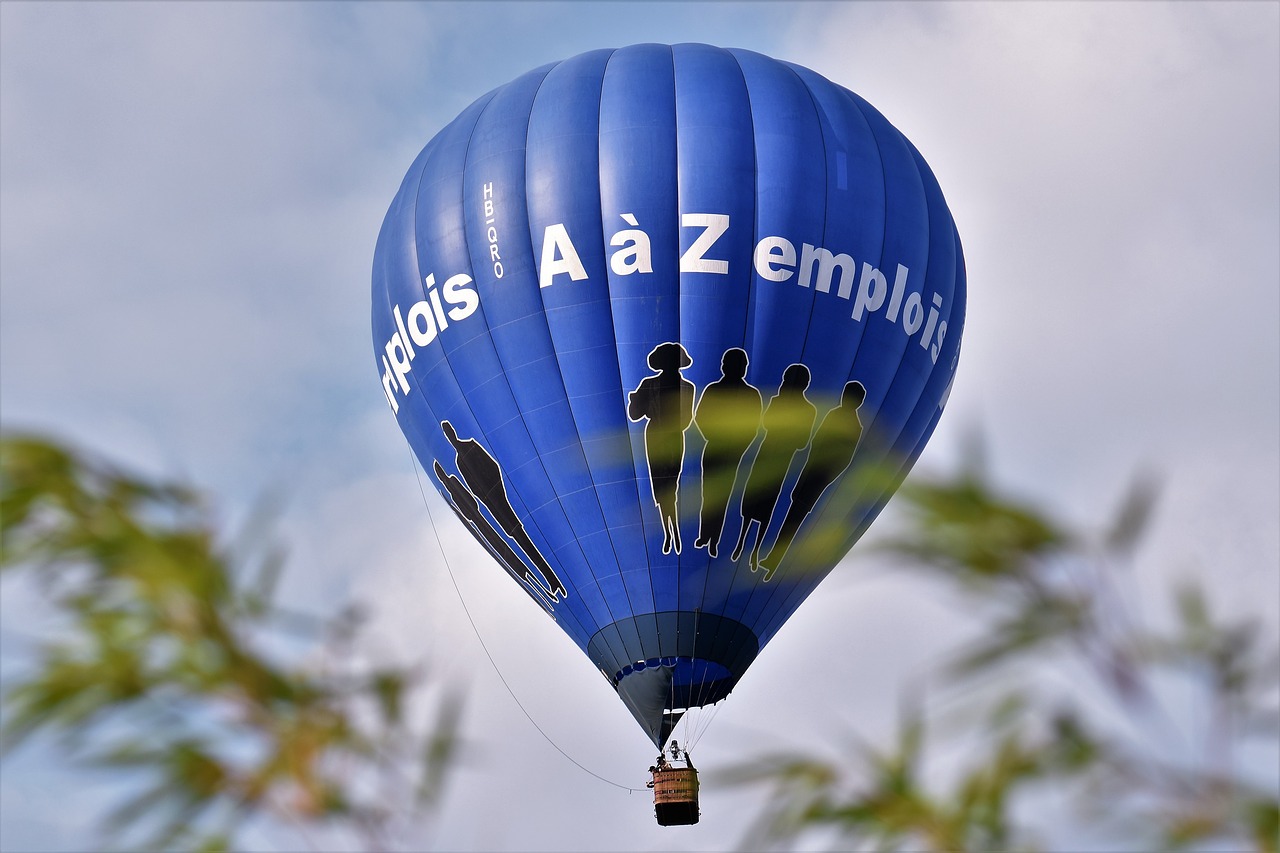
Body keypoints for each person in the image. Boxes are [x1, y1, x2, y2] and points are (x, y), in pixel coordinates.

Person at [440, 420, 566, 597]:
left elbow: (492, 466)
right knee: (519, 540)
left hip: (499, 499)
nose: (450, 436)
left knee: (523, 539)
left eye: (449, 432)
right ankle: (551, 580)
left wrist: (496, 491)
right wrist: (485, 498)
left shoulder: (470, 446)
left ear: (453, 431)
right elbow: (473, 487)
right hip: (492, 504)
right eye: (447, 434)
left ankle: (553, 579)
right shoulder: (459, 461)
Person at [758, 380, 866, 581]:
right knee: (792, 518)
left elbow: (842, 457)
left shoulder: (848, 424)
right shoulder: (838, 416)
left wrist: (824, 477)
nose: (842, 398)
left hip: (815, 478)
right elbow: (819, 444)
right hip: (811, 475)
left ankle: (775, 563)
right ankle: (773, 560)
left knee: (794, 520)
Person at [731, 364, 815, 572]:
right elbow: (797, 439)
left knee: (760, 505)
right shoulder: (804, 408)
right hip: (773, 459)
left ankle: (749, 548)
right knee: (756, 503)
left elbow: (776, 429)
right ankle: (746, 547)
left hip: (773, 459)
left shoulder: (792, 406)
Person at [692, 348, 762, 557]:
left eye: (741, 366)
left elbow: (753, 427)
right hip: (715, 450)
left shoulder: (751, 395)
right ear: (725, 366)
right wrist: (715, 438)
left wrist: (737, 448)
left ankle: (714, 539)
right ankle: (706, 536)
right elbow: (700, 417)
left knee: (721, 497)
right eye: (735, 364)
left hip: (728, 453)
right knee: (709, 496)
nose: (739, 369)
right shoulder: (714, 390)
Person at [627, 342, 695, 555]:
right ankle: (669, 531)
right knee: (662, 488)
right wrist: (637, 402)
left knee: (669, 486)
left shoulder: (685, 388)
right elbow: (634, 413)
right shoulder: (678, 387)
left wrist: (639, 402)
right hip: (663, 436)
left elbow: (686, 420)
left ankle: (671, 531)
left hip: (666, 436)